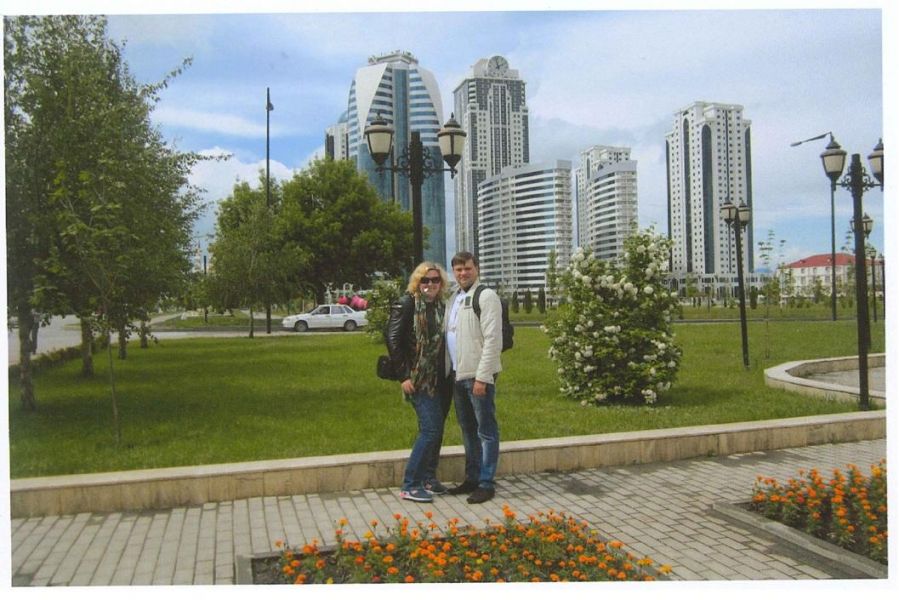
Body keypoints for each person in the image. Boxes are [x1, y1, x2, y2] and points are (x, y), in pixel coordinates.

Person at [386, 262, 453, 503]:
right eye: (425, 280)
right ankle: (410, 484)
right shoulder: (407, 304)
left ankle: (428, 478)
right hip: (418, 378)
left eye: (435, 280)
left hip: (441, 378)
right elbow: (392, 338)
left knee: (437, 429)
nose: (430, 284)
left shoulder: (442, 306)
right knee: (430, 429)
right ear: (417, 282)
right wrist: (403, 375)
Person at [444, 252, 502, 504]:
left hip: (477, 376)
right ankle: (472, 478)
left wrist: (483, 377)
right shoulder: (454, 298)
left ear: (476, 268)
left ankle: (486, 483)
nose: (463, 273)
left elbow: (493, 340)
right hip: (457, 375)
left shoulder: (486, 296)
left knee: (486, 431)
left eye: (467, 268)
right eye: (458, 270)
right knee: (468, 430)